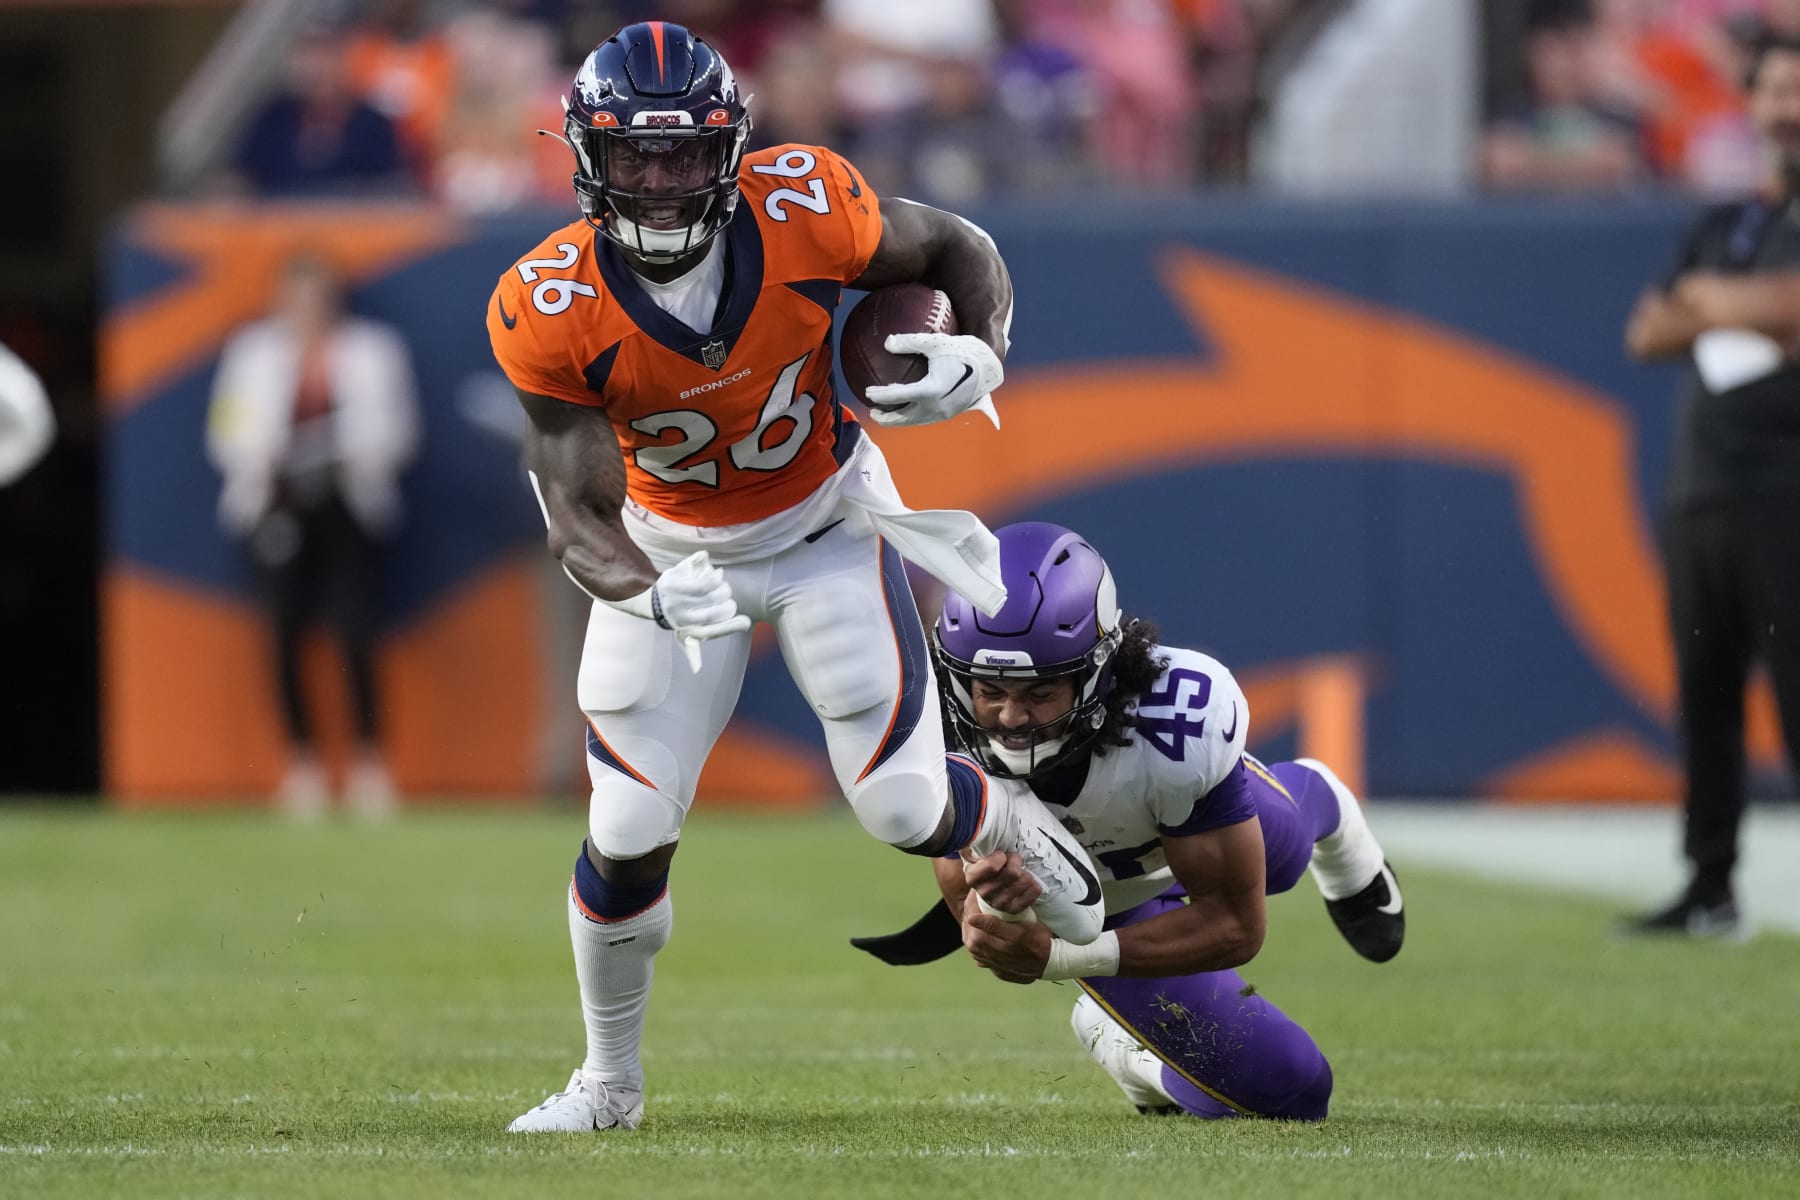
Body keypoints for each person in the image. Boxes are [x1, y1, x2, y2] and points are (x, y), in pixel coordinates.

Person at [486, 22, 1104, 1134]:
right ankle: (608, 1084)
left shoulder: (808, 204)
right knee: (624, 832)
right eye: (637, 157)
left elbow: (956, 247)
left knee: (907, 808)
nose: (662, 184)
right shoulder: (549, 303)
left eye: (684, 157)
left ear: (729, 152)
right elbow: (575, 511)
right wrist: (645, 589)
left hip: (823, 526)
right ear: (590, 156)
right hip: (669, 555)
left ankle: (1007, 817)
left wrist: (988, 343)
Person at [853, 522, 1405, 1121]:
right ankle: (1125, 1048)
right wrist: (1005, 917)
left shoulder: (1173, 720)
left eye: (1040, 692)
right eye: (989, 689)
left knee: (1289, 854)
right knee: (1292, 1092)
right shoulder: (937, 730)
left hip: (1180, 821)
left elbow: (1236, 926)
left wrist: (1059, 961)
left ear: (1097, 671)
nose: (1011, 717)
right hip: (1101, 903)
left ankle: (1331, 809)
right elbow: (972, 908)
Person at [1621, 32, 1800, 939]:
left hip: (1789, 490)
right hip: (1706, 490)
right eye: (1776, 90)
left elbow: (1776, 311)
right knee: (1705, 694)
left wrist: (1727, 304)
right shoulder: (1730, 219)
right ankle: (1709, 885)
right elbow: (1648, 330)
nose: (1788, 108)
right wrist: (1750, 307)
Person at [207, 252, 420, 819]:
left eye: (319, 296)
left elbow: (397, 433)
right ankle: (301, 767)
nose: (308, 309)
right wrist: (271, 458)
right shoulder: (249, 353)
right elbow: (226, 431)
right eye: (297, 297)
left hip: (350, 504)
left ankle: (369, 767)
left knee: (354, 631)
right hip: (274, 505)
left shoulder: (374, 351)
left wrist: (338, 453)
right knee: (282, 634)